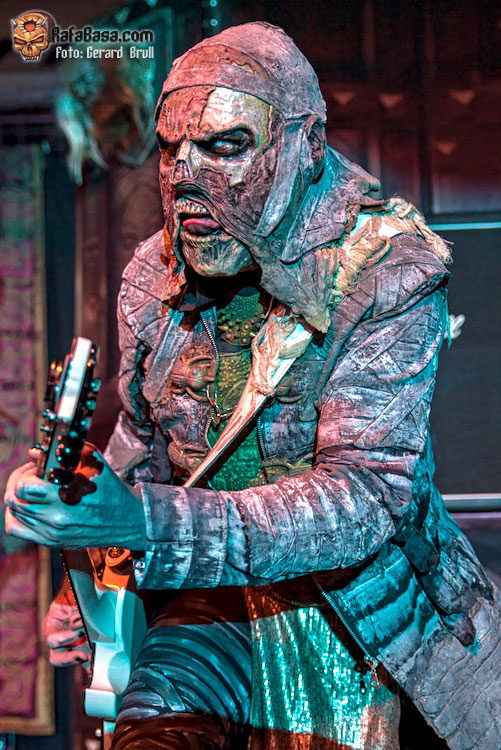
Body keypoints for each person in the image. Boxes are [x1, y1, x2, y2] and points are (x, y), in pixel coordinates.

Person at [4, 22, 501, 750]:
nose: (183, 178)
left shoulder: (388, 272)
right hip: (207, 610)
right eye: (171, 149)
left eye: (225, 145)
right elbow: (140, 443)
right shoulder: (151, 276)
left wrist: (140, 523)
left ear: (306, 147)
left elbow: (363, 499)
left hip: (362, 618)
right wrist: (89, 573)